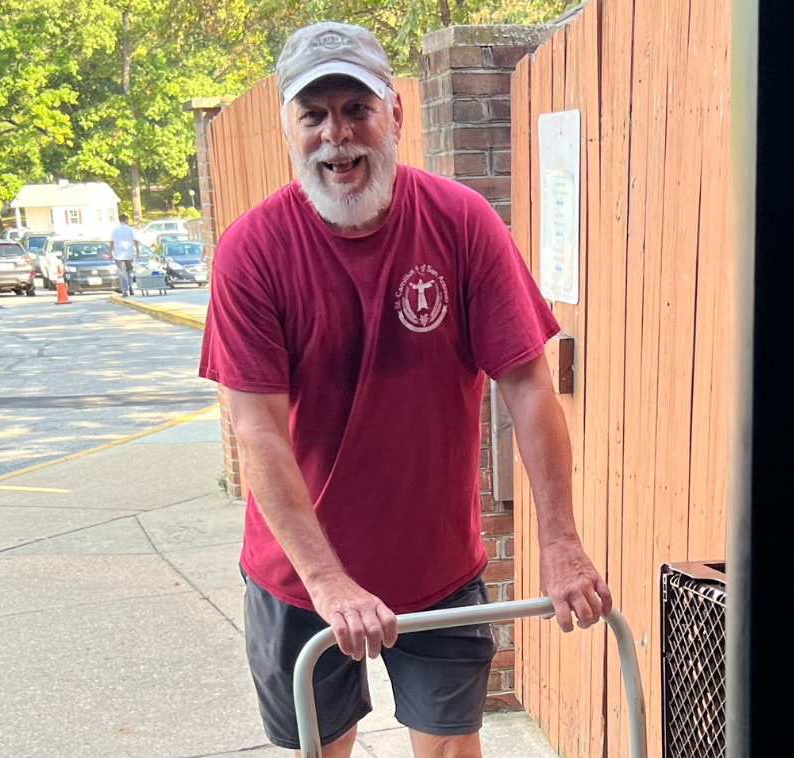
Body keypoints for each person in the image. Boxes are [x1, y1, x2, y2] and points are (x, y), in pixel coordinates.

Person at [199, 21, 610, 758]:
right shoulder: (252, 250)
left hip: (437, 569)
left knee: (453, 748)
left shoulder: (460, 222)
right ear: (288, 130)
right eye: (314, 115)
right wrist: (327, 580)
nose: (337, 136)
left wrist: (560, 540)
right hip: (298, 579)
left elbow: (525, 381)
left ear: (394, 113)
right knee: (321, 749)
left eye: (355, 108)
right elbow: (256, 427)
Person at [110, 214, 137, 296]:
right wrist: (138, 251)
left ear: (120, 220)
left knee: (122, 274)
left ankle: (125, 291)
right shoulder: (130, 229)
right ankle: (131, 286)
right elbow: (135, 240)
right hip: (129, 254)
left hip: (119, 256)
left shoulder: (114, 230)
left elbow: (112, 243)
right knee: (130, 272)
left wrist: (110, 253)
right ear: (126, 220)